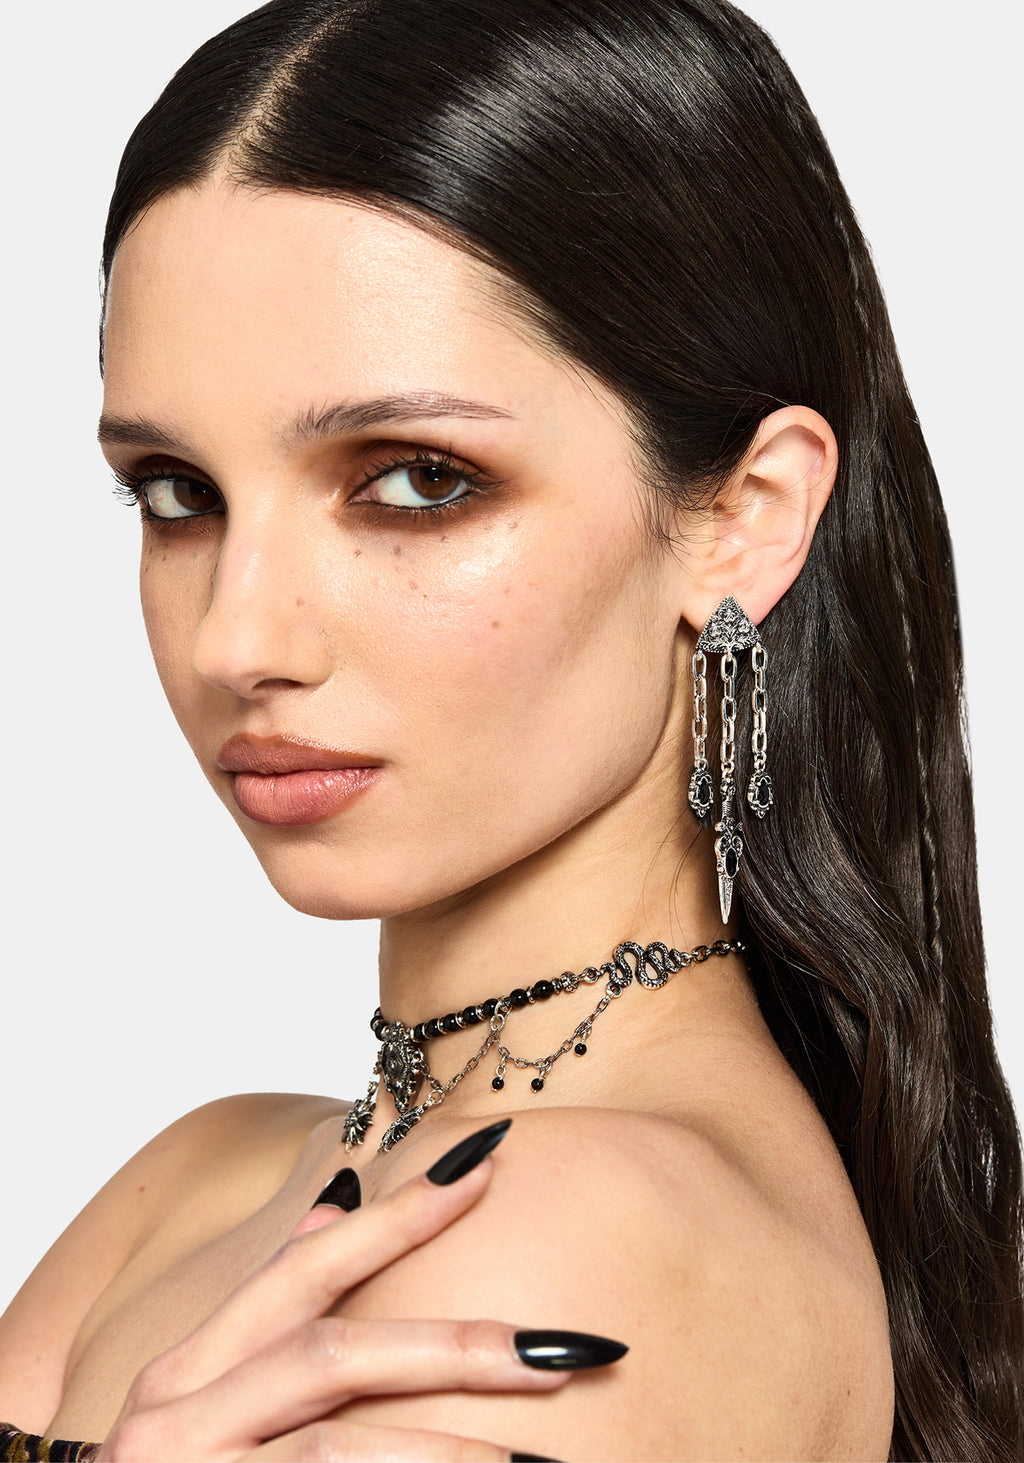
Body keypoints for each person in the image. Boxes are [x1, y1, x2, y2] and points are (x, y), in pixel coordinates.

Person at [1, 0, 1021, 1458]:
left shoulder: (580, 1221)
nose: (237, 639)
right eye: (178, 492)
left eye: (417, 480)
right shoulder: (196, 1179)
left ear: (744, 517)